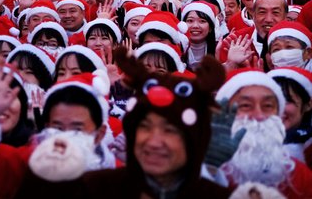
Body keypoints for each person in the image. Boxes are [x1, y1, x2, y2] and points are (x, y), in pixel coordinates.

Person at [15, 53, 230, 198]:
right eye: (144, 127)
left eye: (170, 130)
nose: (154, 141)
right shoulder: (96, 188)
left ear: (195, 136)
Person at [0, 69, 114, 198]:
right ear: (47, 127)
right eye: (58, 128)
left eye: (77, 129)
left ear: (99, 134)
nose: (66, 137)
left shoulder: (116, 177)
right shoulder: (28, 164)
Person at [215, 69, 312, 198]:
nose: (259, 115)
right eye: (245, 105)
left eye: (268, 106)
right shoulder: (203, 171)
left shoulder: (298, 173)